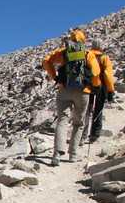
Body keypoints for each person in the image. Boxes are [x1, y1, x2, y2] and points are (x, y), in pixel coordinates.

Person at [42, 30, 101, 165]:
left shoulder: (63, 52)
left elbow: (46, 61)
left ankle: (57, 154)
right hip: (83, 92)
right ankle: (73, 154)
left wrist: (55, 77)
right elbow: (96, 72)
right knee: (78, 123)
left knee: (62, 121)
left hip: (64, 90)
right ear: (83, 41)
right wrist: (95, 86)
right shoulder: (88, 54)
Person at [81, 39, 116, 144]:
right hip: (100, 86)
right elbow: (107, 75)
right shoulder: (104, 58)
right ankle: (94, 135)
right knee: (98, 109)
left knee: (86, 111)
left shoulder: (86, 56)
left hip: (86, 85)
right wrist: (110, 90)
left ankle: (82, 135)